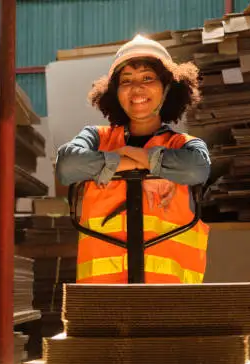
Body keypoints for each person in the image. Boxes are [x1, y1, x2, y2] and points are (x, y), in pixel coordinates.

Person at [55, 34, 211, 285]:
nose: (136, 88)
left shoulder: (185, 146)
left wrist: (129, 155)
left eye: (147, 78)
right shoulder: (96, 137)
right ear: (115, 92)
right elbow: (67, 165)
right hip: (102, 304)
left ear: (167, 87)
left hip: (171, 305)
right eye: (126, 80)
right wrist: (151, 165)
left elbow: (196, 170)